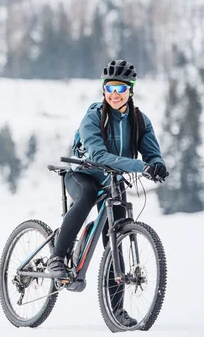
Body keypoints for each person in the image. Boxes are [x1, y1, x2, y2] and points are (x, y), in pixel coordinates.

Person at [47, 59, 168, 326]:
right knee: (87, 196)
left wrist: (157, 165)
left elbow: (151, 152)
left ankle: (118, 312)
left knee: (116, 243)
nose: (115, 94)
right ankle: (56, 257)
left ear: (130, 91)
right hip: (82, 175)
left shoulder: (139, 121)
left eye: (121, 89)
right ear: (104, 90)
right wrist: (140, 165)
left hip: (113, 182)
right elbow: (99, 155)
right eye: (110, 88)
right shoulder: (93, 116)